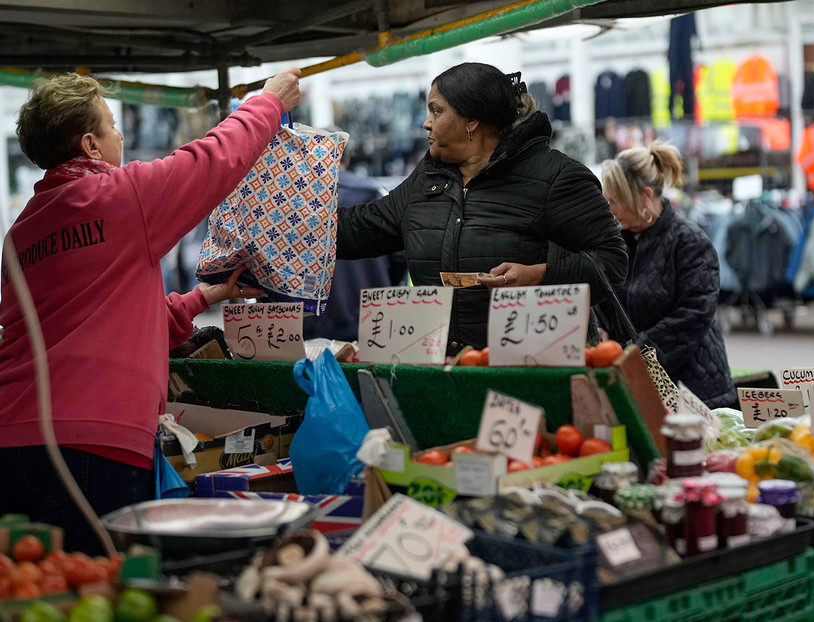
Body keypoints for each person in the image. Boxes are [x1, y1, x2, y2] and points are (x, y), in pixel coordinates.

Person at [0, 68, 303, 554]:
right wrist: (267, 103)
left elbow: (97, 325)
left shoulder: (20, 235)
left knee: (39, 586)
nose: (120, 135)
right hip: (94, 446)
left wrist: (202, 298)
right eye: (111, 125)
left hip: (13, 440)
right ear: (90, 145)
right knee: (103, 582)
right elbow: (212, 160)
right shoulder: (121, 196)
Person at [337, 62, 627, 354]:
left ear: (471, 121)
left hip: (533, 366)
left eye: (436, 111)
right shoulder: (427, 177)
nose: (426, 123)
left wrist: (537, 274)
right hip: (445, 369)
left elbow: (610, 262)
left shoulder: (556, 177)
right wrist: (309, 206)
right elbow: (362, 227)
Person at [599, 141, 737, 409]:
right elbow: (602, 297)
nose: (611, 209)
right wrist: (600, 329)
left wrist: (636, 353)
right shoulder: (615, 244)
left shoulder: (690, 242)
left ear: (645, 196)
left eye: (616, 201)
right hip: (633, 382)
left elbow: (694, 314)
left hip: (693, 390)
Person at [303, 144, 407, 342]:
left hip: (310, 322)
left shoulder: (293, 196)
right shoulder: (371, 192)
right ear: (347, 158)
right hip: (371, 318)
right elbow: (400, 254)